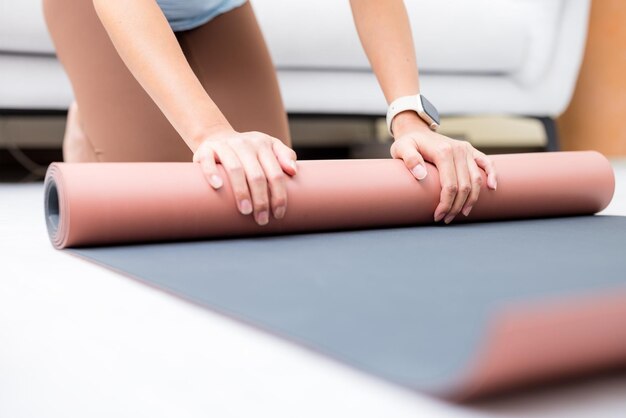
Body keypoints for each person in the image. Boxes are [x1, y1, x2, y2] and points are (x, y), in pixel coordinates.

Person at [44, 0, 497, 226]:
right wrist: (211, 132)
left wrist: (410, 119)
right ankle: (90, 115)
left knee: (267, 198)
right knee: (168, 203)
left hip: (212, 8)